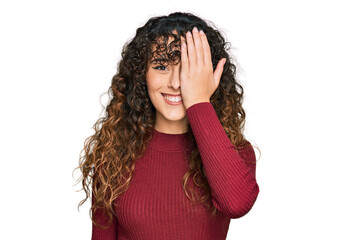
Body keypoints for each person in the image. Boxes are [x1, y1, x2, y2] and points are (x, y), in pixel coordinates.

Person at [75, 11, 260, 240]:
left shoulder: (235, 152)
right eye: (161, 66)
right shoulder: (114, 155)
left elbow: (236, 204)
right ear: (142, 74)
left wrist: (199, 100)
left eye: (187, 70)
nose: (175, 83)